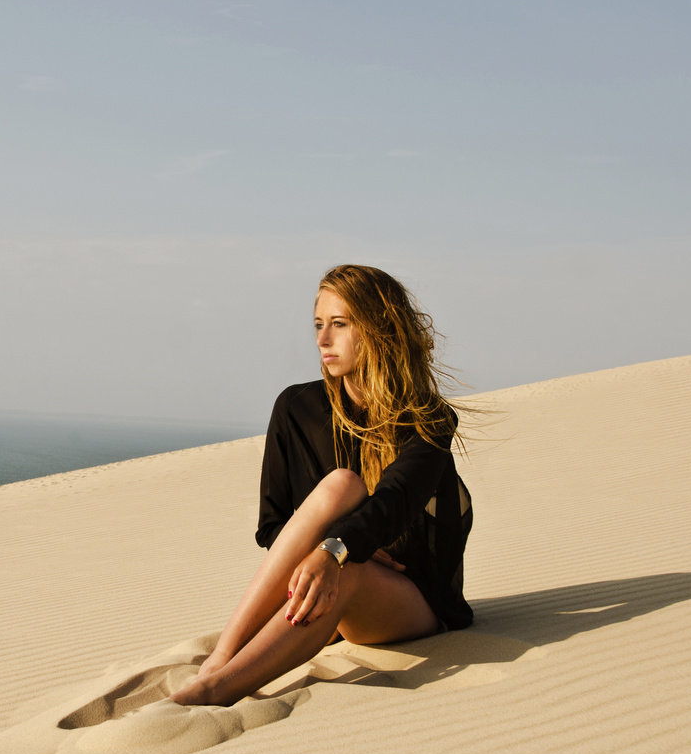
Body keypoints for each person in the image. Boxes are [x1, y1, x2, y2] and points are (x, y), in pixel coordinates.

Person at [171, 264, 474, 707]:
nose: (322, 339)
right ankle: (222, 657)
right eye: (318, 325)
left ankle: (215, 690)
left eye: (339, 324)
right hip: (326, 583)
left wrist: (338, 551)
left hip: (414, 602)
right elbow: (273, 527)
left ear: (377, 330)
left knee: (346, 560)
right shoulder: (298, 408)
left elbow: (395, 501)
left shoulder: (428, 420)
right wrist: (324, 553)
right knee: (340, 486)